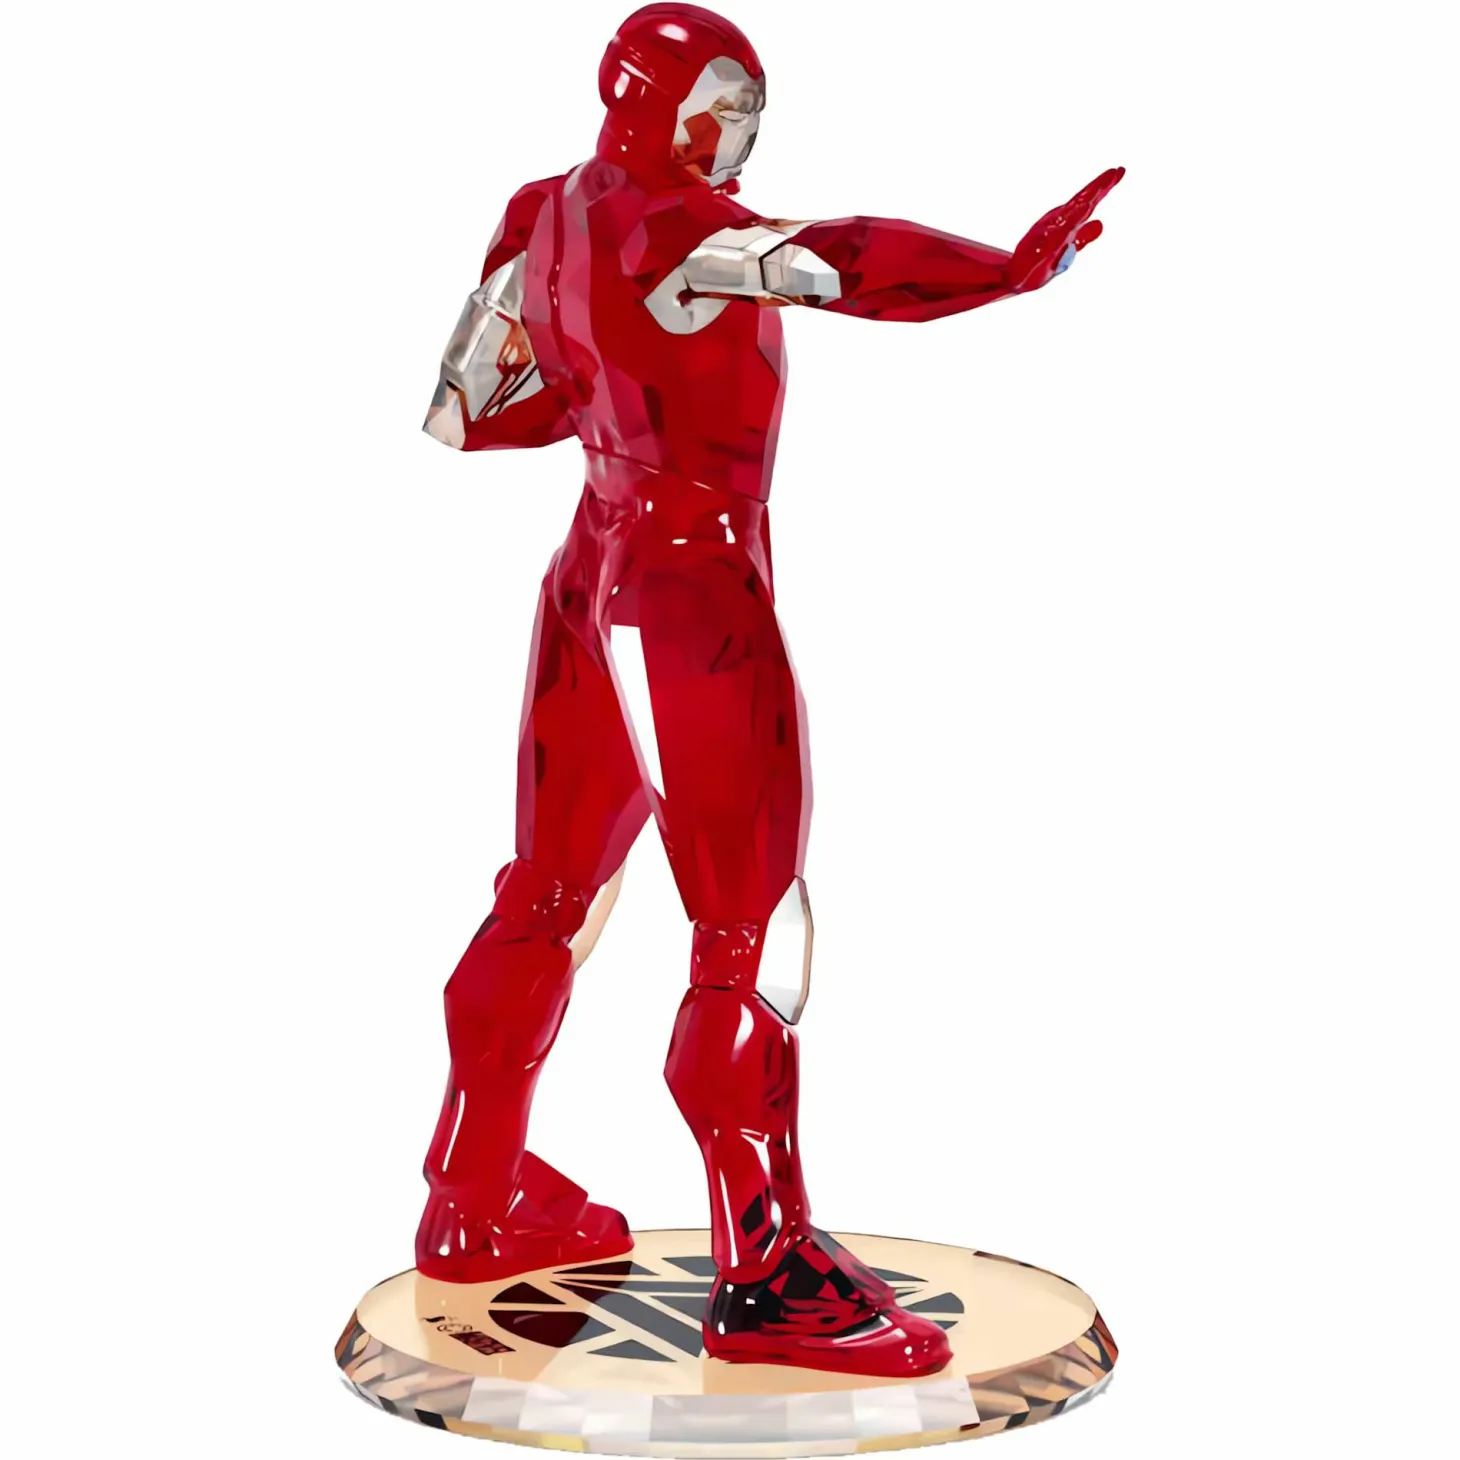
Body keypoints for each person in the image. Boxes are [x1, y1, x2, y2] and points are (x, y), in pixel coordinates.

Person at [417, 2, 1121, 1377]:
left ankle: (471, 1194)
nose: (744, 130)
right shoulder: (685, 232)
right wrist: (1008, 270)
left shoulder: (539, 214)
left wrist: (616, 386)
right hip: (688, 585)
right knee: (751, 926)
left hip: (586, 573)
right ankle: (766, 1269)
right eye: (730, 103)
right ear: (669, 106)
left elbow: (463, 413)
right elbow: (836, 262)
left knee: (547, 893)